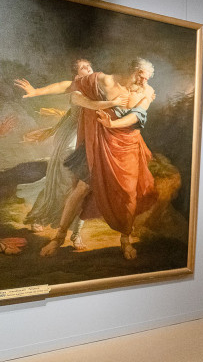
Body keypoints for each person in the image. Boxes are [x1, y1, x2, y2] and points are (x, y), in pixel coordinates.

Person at [40, 58, 158, 260]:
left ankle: (125, 239)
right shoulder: (106, 81)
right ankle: (58, 237)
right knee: (81, 189)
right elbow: (72, 89)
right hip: (98, 143)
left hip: (126, 147)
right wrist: (37, 91)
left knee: (128, 194)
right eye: (140, 76)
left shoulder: (147, 91)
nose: (143, 81)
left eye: (146, 78)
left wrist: (112, 124)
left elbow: (137, 116)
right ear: (132, 70)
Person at [15, 59, 125, 247]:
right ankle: (42, 217)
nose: (88, 69)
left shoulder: (98, 86)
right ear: (76, 74)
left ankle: (76, 233)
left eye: (89, 66)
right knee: (64, 183)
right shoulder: (76, 88)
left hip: (90, 136)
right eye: (83, 68)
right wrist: (36, 92)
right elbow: (60, 89)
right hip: (72, 138)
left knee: (85, 185)